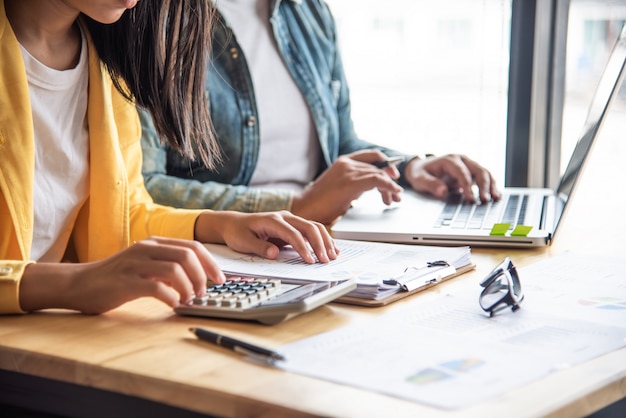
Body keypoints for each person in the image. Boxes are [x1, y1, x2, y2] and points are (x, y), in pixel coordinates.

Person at [0, 0, 338, 316]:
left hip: (46, 332)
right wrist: (72, 283)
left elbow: (121, 215)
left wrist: (219, 224)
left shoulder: (105, 59)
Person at [140, 0, 501, 226]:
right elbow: (145, 187)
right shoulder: (151, 21)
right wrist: (295, 205)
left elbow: (338, 144)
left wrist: (408, 167)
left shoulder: (308, 11)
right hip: (229, 247)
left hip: (324, 231)